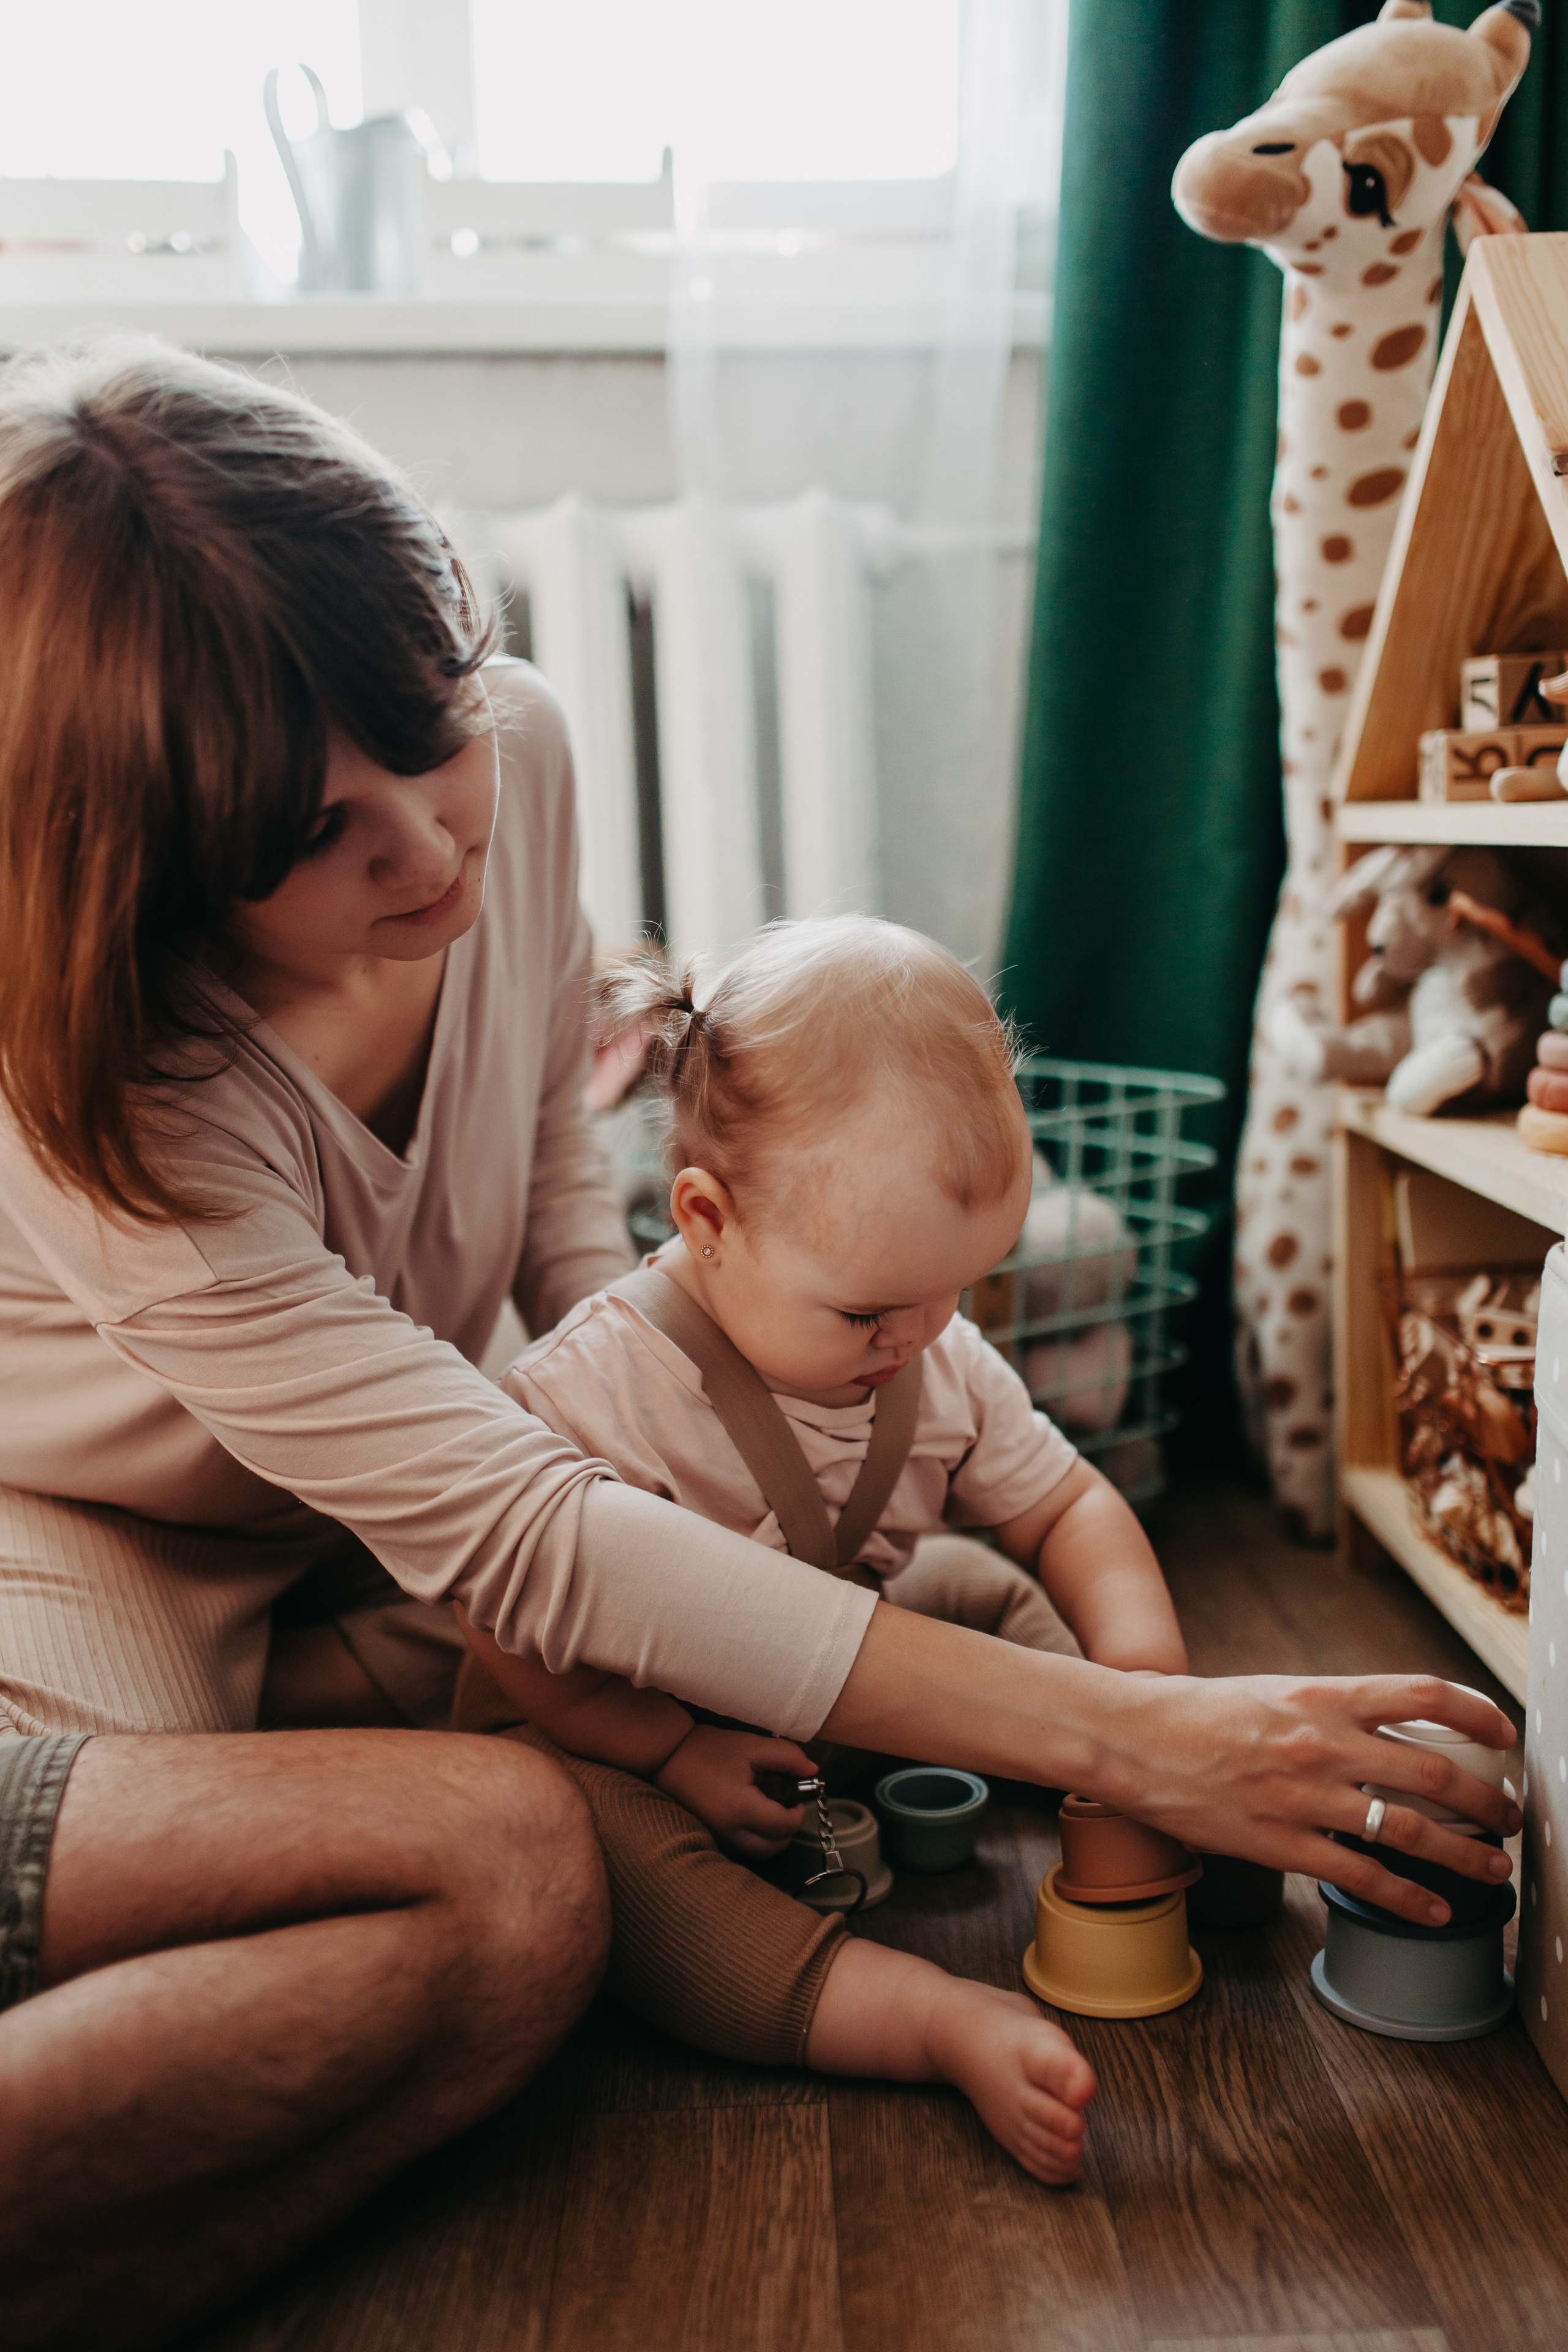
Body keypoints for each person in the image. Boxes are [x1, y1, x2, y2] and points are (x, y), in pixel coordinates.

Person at [0, 339, 1520, 2351]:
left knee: (517, 1892)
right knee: (472, 1875)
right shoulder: (109, 1085)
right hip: (103, 1531)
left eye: (425, 729)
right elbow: (527, 1544)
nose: (431, 848)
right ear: (170, 868)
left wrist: (646, 1438)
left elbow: (547, 1187)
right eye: (313, 835)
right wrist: (1144, 1744)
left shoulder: (517, 755)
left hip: (405, 1505)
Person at [456, 915, 1194, 2184]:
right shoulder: (607, 1383)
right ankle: (910, 2014)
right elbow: (503, 1628)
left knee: (978, 1584)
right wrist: (673, 1748)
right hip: (607, 1731)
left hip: (820, 1691)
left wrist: (1142, 1691)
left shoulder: (925, 1348)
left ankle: (1101, 1773)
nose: (917, 1338)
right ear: (707, 1221)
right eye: (866, 1310)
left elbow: (1064, 1509)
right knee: (596, 1853)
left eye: (955, 1290)